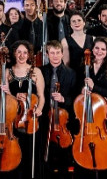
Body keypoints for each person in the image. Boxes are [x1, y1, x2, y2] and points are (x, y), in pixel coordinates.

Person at [5, 40, 45, 179]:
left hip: (31, 118)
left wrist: (39, 109)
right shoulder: (7, 72)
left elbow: (41, 96)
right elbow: (6, 96)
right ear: (14, 54)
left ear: (29, 55)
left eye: (25, 52)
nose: (22, 55)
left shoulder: (36, 71)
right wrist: (15, 97)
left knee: (31, 155)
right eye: (19, 52)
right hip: (13, 119)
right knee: (14, 154)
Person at [40, 40, 76, 176]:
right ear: (47, 54)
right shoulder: (41, 71)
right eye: (52, 53)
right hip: (45, 117)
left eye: (57, 53)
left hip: (63, 120)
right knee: (44, 154)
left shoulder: (71, 73)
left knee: (63, 157)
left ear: (62, 54)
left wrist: (63, 99)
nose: (55, 56)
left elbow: (75, 97)